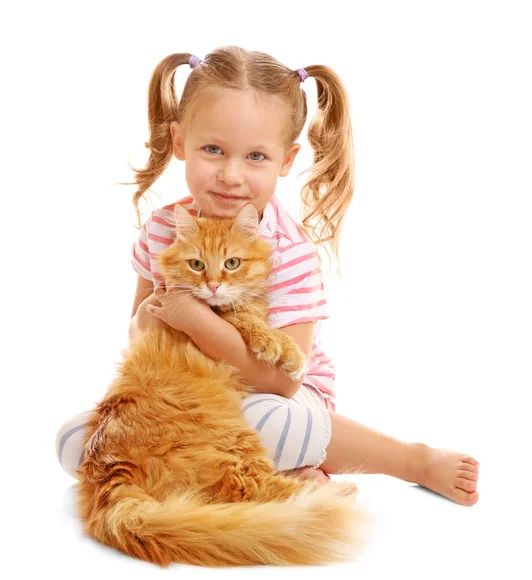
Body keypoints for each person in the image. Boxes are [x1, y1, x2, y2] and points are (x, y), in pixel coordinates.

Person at [56, 46, 480, 505]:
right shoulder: (165, 227)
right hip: (193, 397)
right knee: (77, 442)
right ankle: (246, 479)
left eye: (255, 156)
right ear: (180, 143)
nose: (231, 175)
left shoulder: (288, 251)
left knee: (272, 424)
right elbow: (140, 328)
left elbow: (283, 380)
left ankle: (410, 460)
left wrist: (193, 319)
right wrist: (147, 326)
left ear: (286, 159)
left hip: (274, 394)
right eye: (213, 149)